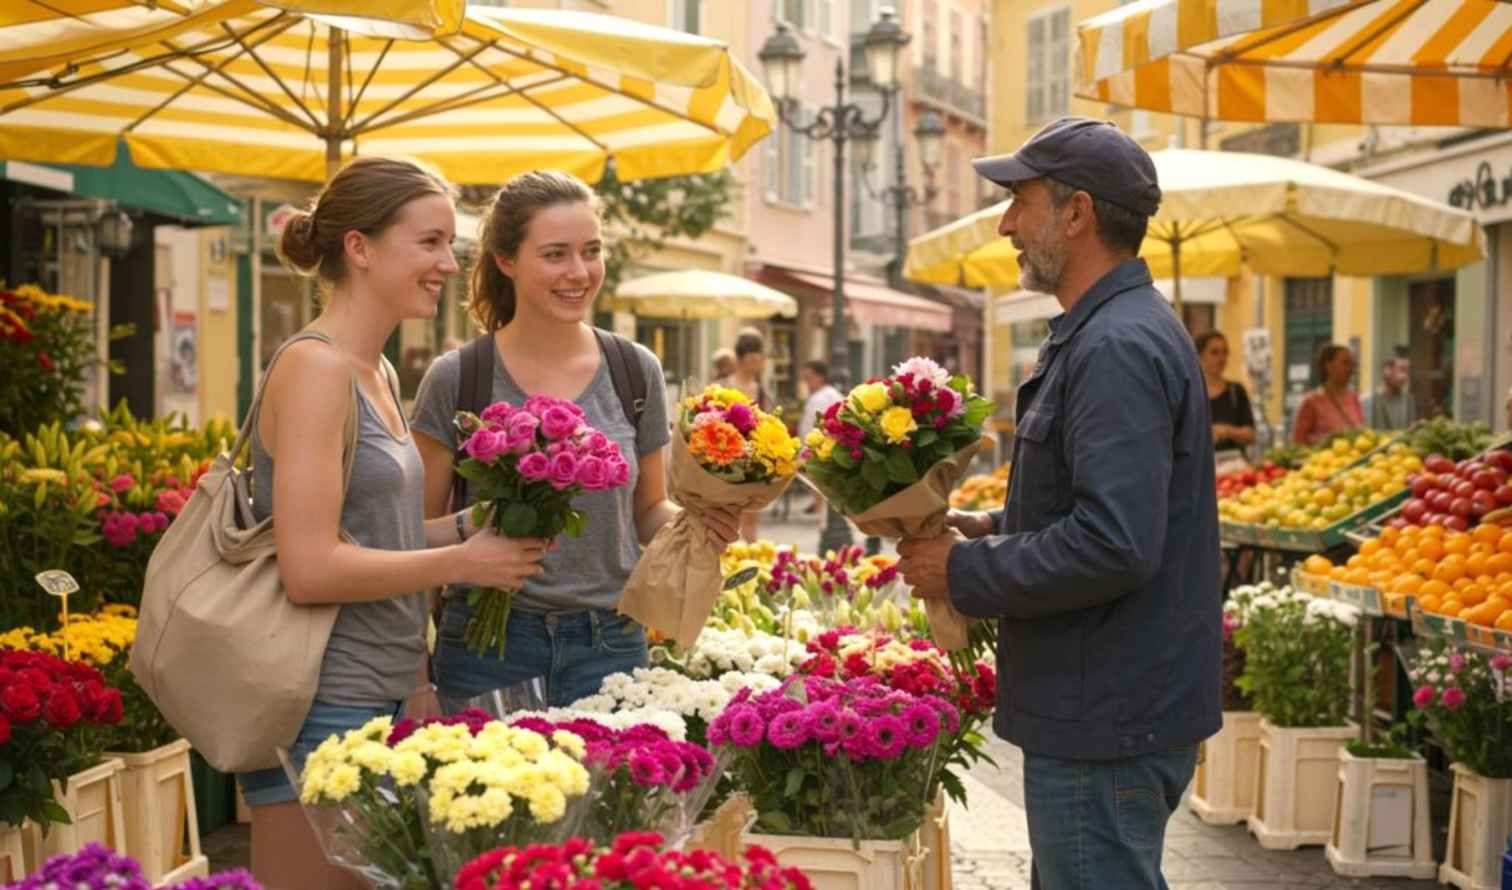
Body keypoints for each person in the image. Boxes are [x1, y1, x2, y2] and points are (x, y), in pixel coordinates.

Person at [895, 116, 1221, 890]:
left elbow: (1114, 542)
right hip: (1108, 699)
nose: (1006, 223)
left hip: (1104, 710)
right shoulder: (1107, 332)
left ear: (1076, 215)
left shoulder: (1116, 346)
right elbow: (1101, 509)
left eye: (1021, 200)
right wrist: (988, 529)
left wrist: (966, 570)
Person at [237, 157, 551, 890]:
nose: (450, 262)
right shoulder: (314, 370)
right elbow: (311, 567)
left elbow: (383, 539)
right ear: (359, 247)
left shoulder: (374, 371)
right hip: (316, 701)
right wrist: (462, 564)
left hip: (378, 696)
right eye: (431, 242)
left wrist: (480, 524)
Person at [410, 170, 741, 709]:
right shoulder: (459, 377)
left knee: (611, 797)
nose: (579, 272)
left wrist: (697, 525)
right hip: (488, 645)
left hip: (611, 642)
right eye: (556, 254)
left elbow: (648, 508)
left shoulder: (635, 370)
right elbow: (415, 533)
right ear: (506, 260)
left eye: (591, 251)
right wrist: (416, 676)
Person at [716, 327, 772, 539]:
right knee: (725, 516)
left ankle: (751, 557)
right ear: (747, 357)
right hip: (724, 458)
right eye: (757, 355)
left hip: (753, 461)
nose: (760, 360)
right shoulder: (724, 386)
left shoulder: (762, 390)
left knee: (751, 515)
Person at [1195, 331, 1255, 454]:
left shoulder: (1236, 391)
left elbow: (1251, 435)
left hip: (1234, 468)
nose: (1221, 358)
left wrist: (1226, 431)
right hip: (1200, 467)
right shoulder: (1191, 394)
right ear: (1199, 355)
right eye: (1214, 352)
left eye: (1225, 352)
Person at [1291, 344, 1363, 445]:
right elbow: (1297, 442)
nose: (1351, 369)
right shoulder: (1311, 402)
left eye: (1353, 364)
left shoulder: (1354, 398)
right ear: (1328, 366)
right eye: (1345, 363)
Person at [798, 360, 843, 516]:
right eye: (804, 378)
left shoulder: (820, 397)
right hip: (827, 450)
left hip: (820, 450)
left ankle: (822, 522)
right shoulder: (831, 393)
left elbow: (812, 428)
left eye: (809, 377)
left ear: (821, 377)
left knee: (820, 489)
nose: (806, 382)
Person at [1363, 351, 1414, 430]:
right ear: (1387, 371)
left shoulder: (1408, 401)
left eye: (1407, 371)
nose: (1405, 376)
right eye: (1402, 370)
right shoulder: (1369, 401)